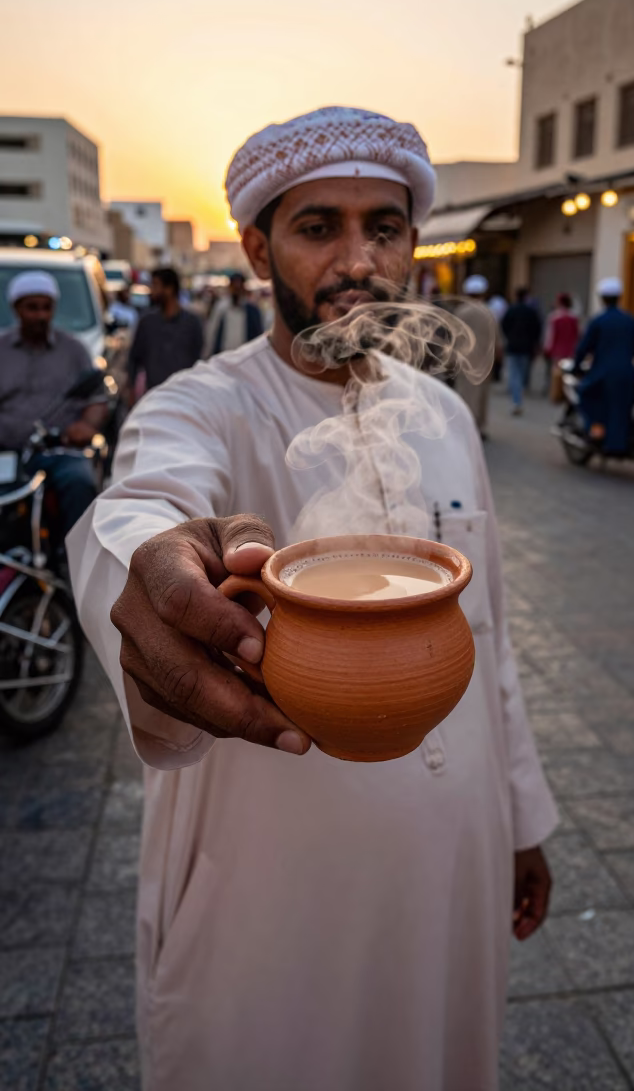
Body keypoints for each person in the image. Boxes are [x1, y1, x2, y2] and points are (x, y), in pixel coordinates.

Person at [67, 106, 558, 1091]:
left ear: (413, 243)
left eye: (383, 226)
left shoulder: (443, 416)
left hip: (453, 855)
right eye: (317, 225)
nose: (357, 258)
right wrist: (147, 568)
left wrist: (522, 815)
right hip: (272, 879)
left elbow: (490, 632)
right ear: (258, 247)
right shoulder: (197, 406)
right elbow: (143, 508)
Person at [0, 271, 105, 536]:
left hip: (58, 452)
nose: (40, 315)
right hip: (6, 452)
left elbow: (97, 399)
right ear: (16, 308)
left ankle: (75, 565)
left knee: (80, 482)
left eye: (46, 308)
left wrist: (85, 425)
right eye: (32, 308)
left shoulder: (75, 350)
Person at [574, 277, 634, 454]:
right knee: (623, 406)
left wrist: (576, 367)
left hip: (603, 373)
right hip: (627, 373)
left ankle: (596, 430)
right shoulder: (630, 320)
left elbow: (583, 348)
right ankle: (617, 442)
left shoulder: (598, 321)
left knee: (585, 394)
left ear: (602, 298)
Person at [126, 267, 203, 404]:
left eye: (155, 285)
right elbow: (134, 359)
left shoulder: (192, 323)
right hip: (153, 398)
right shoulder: (147, 323)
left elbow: (199, 358)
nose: (152, 290)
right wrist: (131, 392)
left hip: (183, 398)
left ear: (169, 289)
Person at [453, 274, 501, 437]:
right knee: (482, 394)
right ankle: (479, 426)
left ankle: (466, 426)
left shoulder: (461, 311)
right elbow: (497, 339)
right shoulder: (489, 312)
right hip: (484, 360)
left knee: (466, 392)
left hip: (465, 359)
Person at [203, 270, 264, 357]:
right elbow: (211, 332)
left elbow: (258, 337)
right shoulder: (221, 308)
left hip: (245, 358)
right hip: (223, 357)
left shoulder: (252, 311)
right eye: (234, 286)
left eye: (239, 286)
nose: (236, 289)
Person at [501, 287, 542, 414]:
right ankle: (518, 398)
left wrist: (509, 337)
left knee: (514, 374)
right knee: (521, 373)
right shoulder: (531, 311)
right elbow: (537, 329)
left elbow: (504, 325)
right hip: (526, 348)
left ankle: (516, 399)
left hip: (513, 347)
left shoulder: (511, 310)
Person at [543, 292, 580, 397]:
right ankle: (566, 392)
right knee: (568, 373)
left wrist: (547, 348)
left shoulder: (554, 317)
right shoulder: (574, 317)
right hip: (570, 350)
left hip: (557, 350)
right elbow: (578, 334)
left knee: (556, 372)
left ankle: (556, 391)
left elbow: (550, 335)